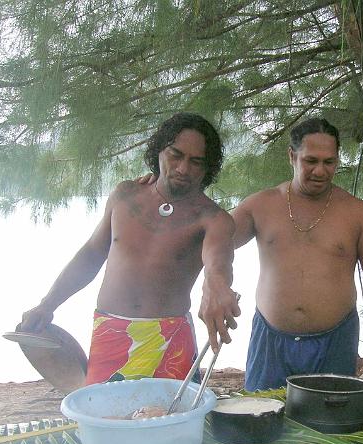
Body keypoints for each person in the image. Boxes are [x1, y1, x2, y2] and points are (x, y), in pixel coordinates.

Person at [20, 112, 240, 385]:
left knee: (168, 421)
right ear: (158, 150)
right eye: (175, 155)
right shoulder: (125, 195)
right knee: (103, 418)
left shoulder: (213, 219)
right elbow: (91, 254)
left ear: (208, 168)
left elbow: (218, 264)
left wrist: (218, 286)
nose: (183, 168)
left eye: (196, 162)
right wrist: (48, 304)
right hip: (110, 331)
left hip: (169, 338)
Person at [231, 118, 363, 390]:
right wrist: (216, 285)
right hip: (271, 340)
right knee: (263, 418)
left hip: (336, 339)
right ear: (292, 156)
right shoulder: (261, 205)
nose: (320, 171)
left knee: (330, 422)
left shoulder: (358, 214)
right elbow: (214, 242)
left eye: (329, 162)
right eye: (310, 161)